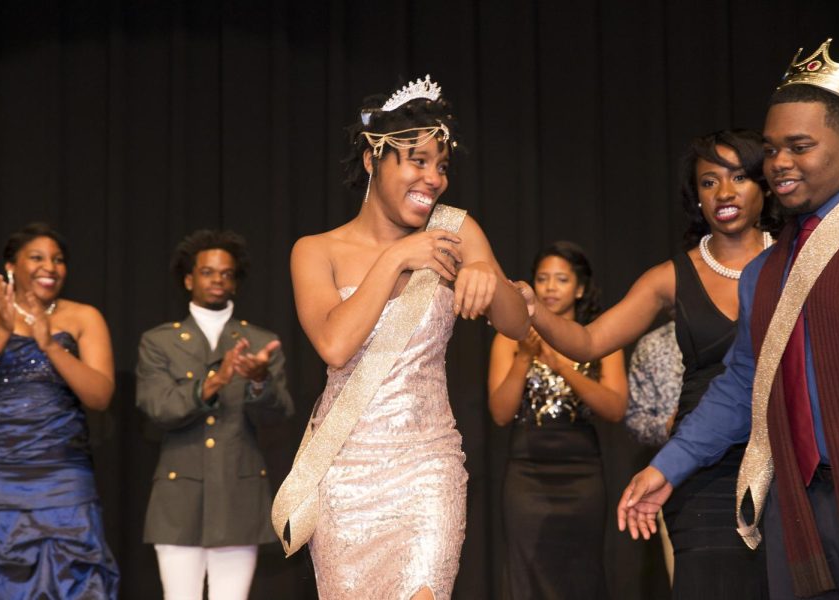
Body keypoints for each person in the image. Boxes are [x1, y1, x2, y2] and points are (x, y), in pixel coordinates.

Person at [281, 75, 529, 600]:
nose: (433, 178)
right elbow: (335, 345)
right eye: (417, 160)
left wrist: (489, 276)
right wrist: (397, 257)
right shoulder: (314, 250)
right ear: (374, 159)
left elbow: (514, 324)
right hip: (344, 473)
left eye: (441, 165)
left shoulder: (455, 229)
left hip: (426, 465)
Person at [617, 39, 839, 599]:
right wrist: (666, 466)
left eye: (800, 146)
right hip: (799, 500)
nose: (781, 163)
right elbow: (745, 383)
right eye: (771, 149)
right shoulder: (765, 273)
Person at [517, 130, 779, 599]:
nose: (724, 193)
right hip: (705, 468)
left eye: (739, 177)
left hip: (789, 460)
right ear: (694, 197)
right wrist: (532, 308)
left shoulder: (797, 260)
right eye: (708, 182)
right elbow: (589, 341)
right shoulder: (669, 277)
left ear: (765, 185)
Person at [0, 223, 119, 597]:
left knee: (71, 578)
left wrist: (50, 345)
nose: (50, 267)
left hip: (62, 476)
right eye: (37, 258)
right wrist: (2, 331)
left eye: (58, 260)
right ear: (11, 266)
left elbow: (100, 396)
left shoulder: (83, 316)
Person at [136, 230, 293, 600]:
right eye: (208, 272)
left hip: (239, 492)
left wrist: (258, 381)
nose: (218, 280)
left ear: (236, 282)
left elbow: (280, 413)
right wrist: (213, 382)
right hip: (178, 499)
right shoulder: (159, 341)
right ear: (189, 279)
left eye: (226, 273)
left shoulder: (259, 341)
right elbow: (158, 407)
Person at [488, 241, 627, 599]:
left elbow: (614, 408)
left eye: (561, 279)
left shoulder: (601, 338)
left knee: (581, 576)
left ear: (579, 288)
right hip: (527, 476)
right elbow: (501, 414)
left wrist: (562, 365)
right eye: (543, 278)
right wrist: (524, 358)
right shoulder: (509, 337)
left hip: (582, 476)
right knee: (526, 573)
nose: (550, 287)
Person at [625, 321, 683, 447]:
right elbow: (635, 420)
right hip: (674, 456)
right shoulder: (652, 344)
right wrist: (668, 426)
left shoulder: (731, 338)